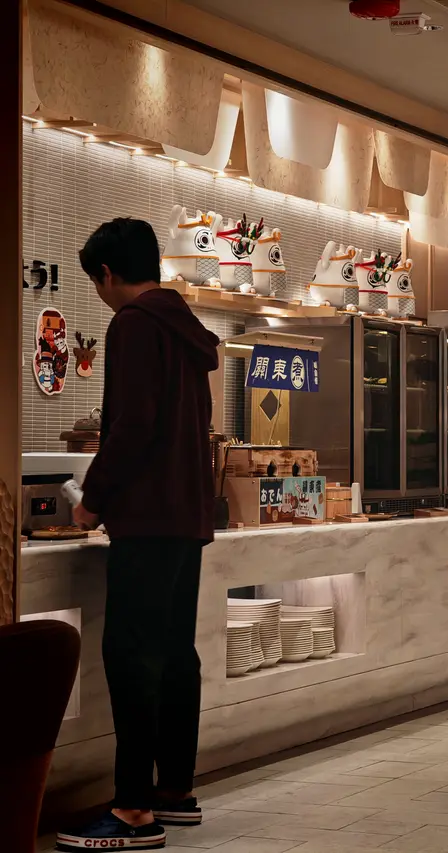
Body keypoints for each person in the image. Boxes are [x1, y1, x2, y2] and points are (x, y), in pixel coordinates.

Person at [56, 218, 219, 852]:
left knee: (133, 659)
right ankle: (173, 791)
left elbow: (131, 425)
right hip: (186, 519)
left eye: (95, 282)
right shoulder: (184, 328)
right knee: (176, 654)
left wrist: (92, 502)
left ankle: (131, 811)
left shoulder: (133, 324)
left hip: (146, 521)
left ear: (107, 274)